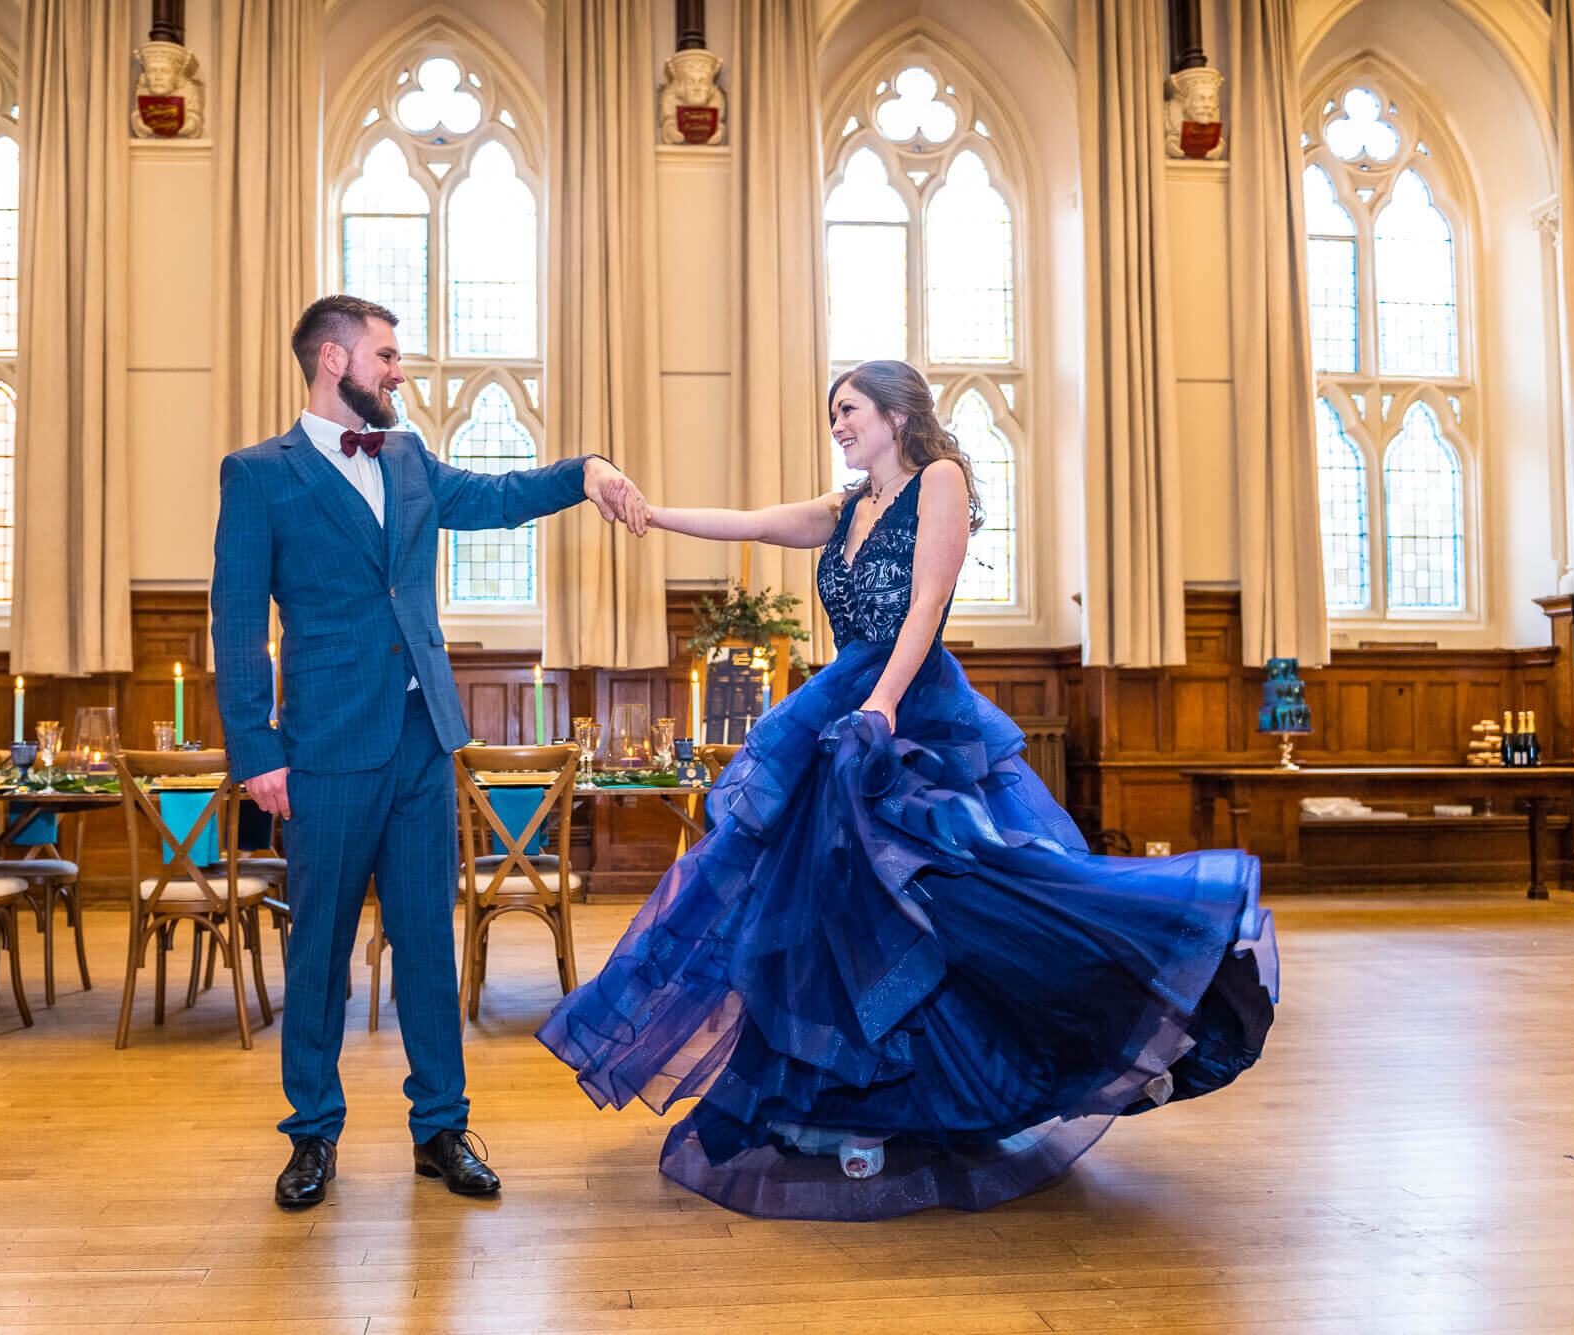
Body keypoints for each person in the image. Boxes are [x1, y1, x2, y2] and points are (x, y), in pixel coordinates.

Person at [537, 359, 1277, 1221]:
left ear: (894, 412)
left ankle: (1092, 999)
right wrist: (653, 512)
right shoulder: (847, 506)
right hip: (845, 708)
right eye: (833, 414)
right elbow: (751, 522)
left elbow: (926, 604)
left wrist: (882, 708)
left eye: (848, 411)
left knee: (952, 898)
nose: (838, 426)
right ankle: (839, 1103)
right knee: (831, 916)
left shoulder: (942, 480)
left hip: (909, 708)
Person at [212, 294, 649, 1210]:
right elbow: (238, 622)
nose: (399, 370)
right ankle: (311, 1137)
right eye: (386, 355)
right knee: (321, 948)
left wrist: (584, 471)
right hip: (323, 749)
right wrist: (257, 749)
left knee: (427, 942)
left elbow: (493, 499)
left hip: (422, 739)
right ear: (333, 360)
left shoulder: (406, 455)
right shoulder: (258, 475)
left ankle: (441, 1129)